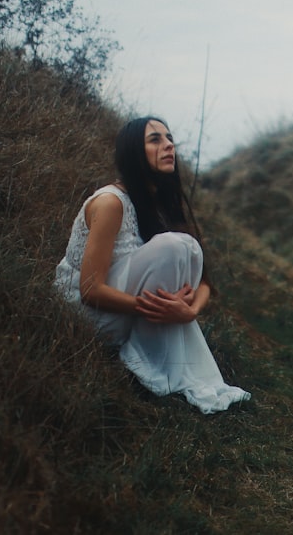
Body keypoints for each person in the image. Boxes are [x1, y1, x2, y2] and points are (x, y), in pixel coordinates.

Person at [55, 116, 250, 414]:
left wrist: (187, 312)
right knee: (176, 245)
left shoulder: (160, 204)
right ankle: (151, 364)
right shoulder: (111, 202)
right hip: (86, 318)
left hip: (131, 311)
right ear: (134, 151)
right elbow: (90, 290)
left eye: (169, 138)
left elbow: (205, 282)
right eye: (155, 139)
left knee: (188, 246)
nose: (168, 145)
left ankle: (153, 362)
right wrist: (157, 309)